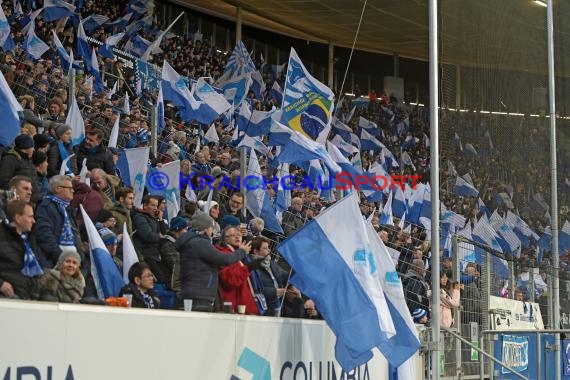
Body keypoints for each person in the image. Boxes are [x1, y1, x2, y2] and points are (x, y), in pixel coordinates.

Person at [176, 212, 250, 312]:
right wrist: (242, 252)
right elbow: (225, 259)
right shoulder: (200, 243)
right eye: (211, 227)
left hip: (195, 294)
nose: (212, 231)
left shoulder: (193, 242)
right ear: (206, 228)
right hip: (199, 296)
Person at [34, 175, 83, 268]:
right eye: (69, 188)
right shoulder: (46, 206)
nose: (72, 191)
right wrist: (59, 256)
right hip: (55, 262)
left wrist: (80, 256)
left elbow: (75, 234)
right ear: (57, 189)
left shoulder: (67, 209)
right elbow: (44, 234)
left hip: (72, 262)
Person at [0, 201, 43, 299]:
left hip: (25, 295)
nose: (34, 221)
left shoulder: (27, 239)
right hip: (7, 298)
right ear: (18, 218)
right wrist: (1, 284)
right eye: (30, 216)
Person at [216, 226, 261, 315]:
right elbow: (230, 280)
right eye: (233, 235)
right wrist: (247, 268)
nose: (237, 237)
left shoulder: (244, 256)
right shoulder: (222, 253)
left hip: (245, 308)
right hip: (233, 309)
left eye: (239, 235)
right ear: (225, 239)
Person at [159, 216, 188, 293]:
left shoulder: (177, 244)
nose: (186, 232)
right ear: (178, 229)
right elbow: (174, 264)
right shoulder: (167, 245)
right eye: (185, 229)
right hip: (170, 283)